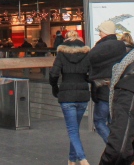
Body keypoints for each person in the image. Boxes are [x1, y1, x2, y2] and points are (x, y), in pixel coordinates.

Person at [49, 27, 92, 165]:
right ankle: (71, 159)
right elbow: (91, 75)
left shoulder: (61, 54)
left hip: (66, 95)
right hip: (82, 95)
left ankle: (82, 158)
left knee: (73, 130)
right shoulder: (87, 54)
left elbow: (54, 74)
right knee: (75, 129)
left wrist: (55, 88)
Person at [86, 20, 129, 142]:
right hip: (118, 89)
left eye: (100, 31)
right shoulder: (121, 46)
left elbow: (90, 59)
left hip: (103, 89)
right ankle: (116, 149)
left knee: (99, 121)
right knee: (112, 121)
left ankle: (113, 147)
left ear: (105, 32)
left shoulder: (100, 48)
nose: (99, 34)